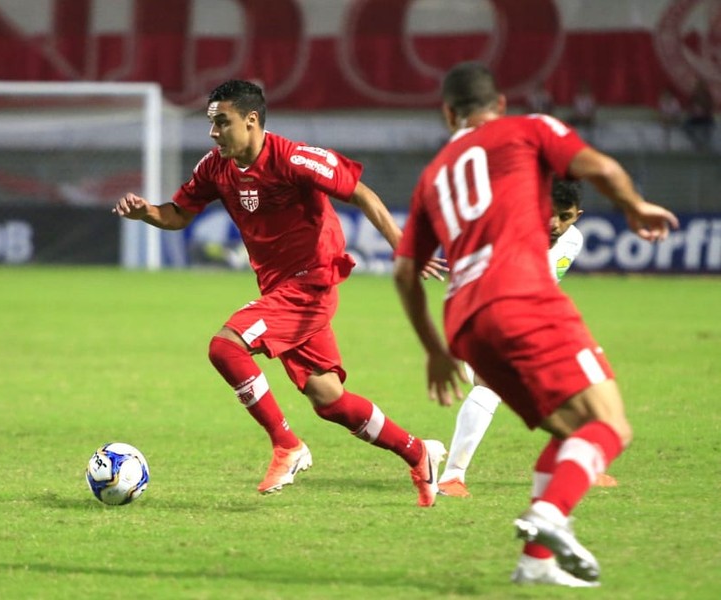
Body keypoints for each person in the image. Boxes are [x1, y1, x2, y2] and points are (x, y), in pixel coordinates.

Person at [392, 62, 678, 586]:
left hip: (465, 320)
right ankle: (548, 517)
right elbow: (602, 168)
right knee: (609, 425)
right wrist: (635, 207)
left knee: (567, 429)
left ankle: (534, 564)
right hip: (520, 296)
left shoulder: (433, 176)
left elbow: (406, 271)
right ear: (500, 104)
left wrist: (434, 349)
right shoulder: (529, 128)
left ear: (448, 112)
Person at [113, 79, 448, 506]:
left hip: (312, 282)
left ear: (251, 120)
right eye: (211, 123)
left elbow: (361, 193)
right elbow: (178, 214)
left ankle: (286, 444)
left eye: (222, 122)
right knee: (328, 398)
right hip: (278, 289)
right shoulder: (215, 167)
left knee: (225, 346)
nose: (213, 132)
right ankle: (419, 453)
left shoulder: (295, 158)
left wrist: (402, 247)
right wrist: (149, 214)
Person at [436, 178, 617, 498]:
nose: (555, 223)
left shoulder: (572, 241)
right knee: (489, 387)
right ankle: (452, 477)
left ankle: (581, 462)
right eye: (548, 212)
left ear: (578, 215)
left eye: (565, 216)